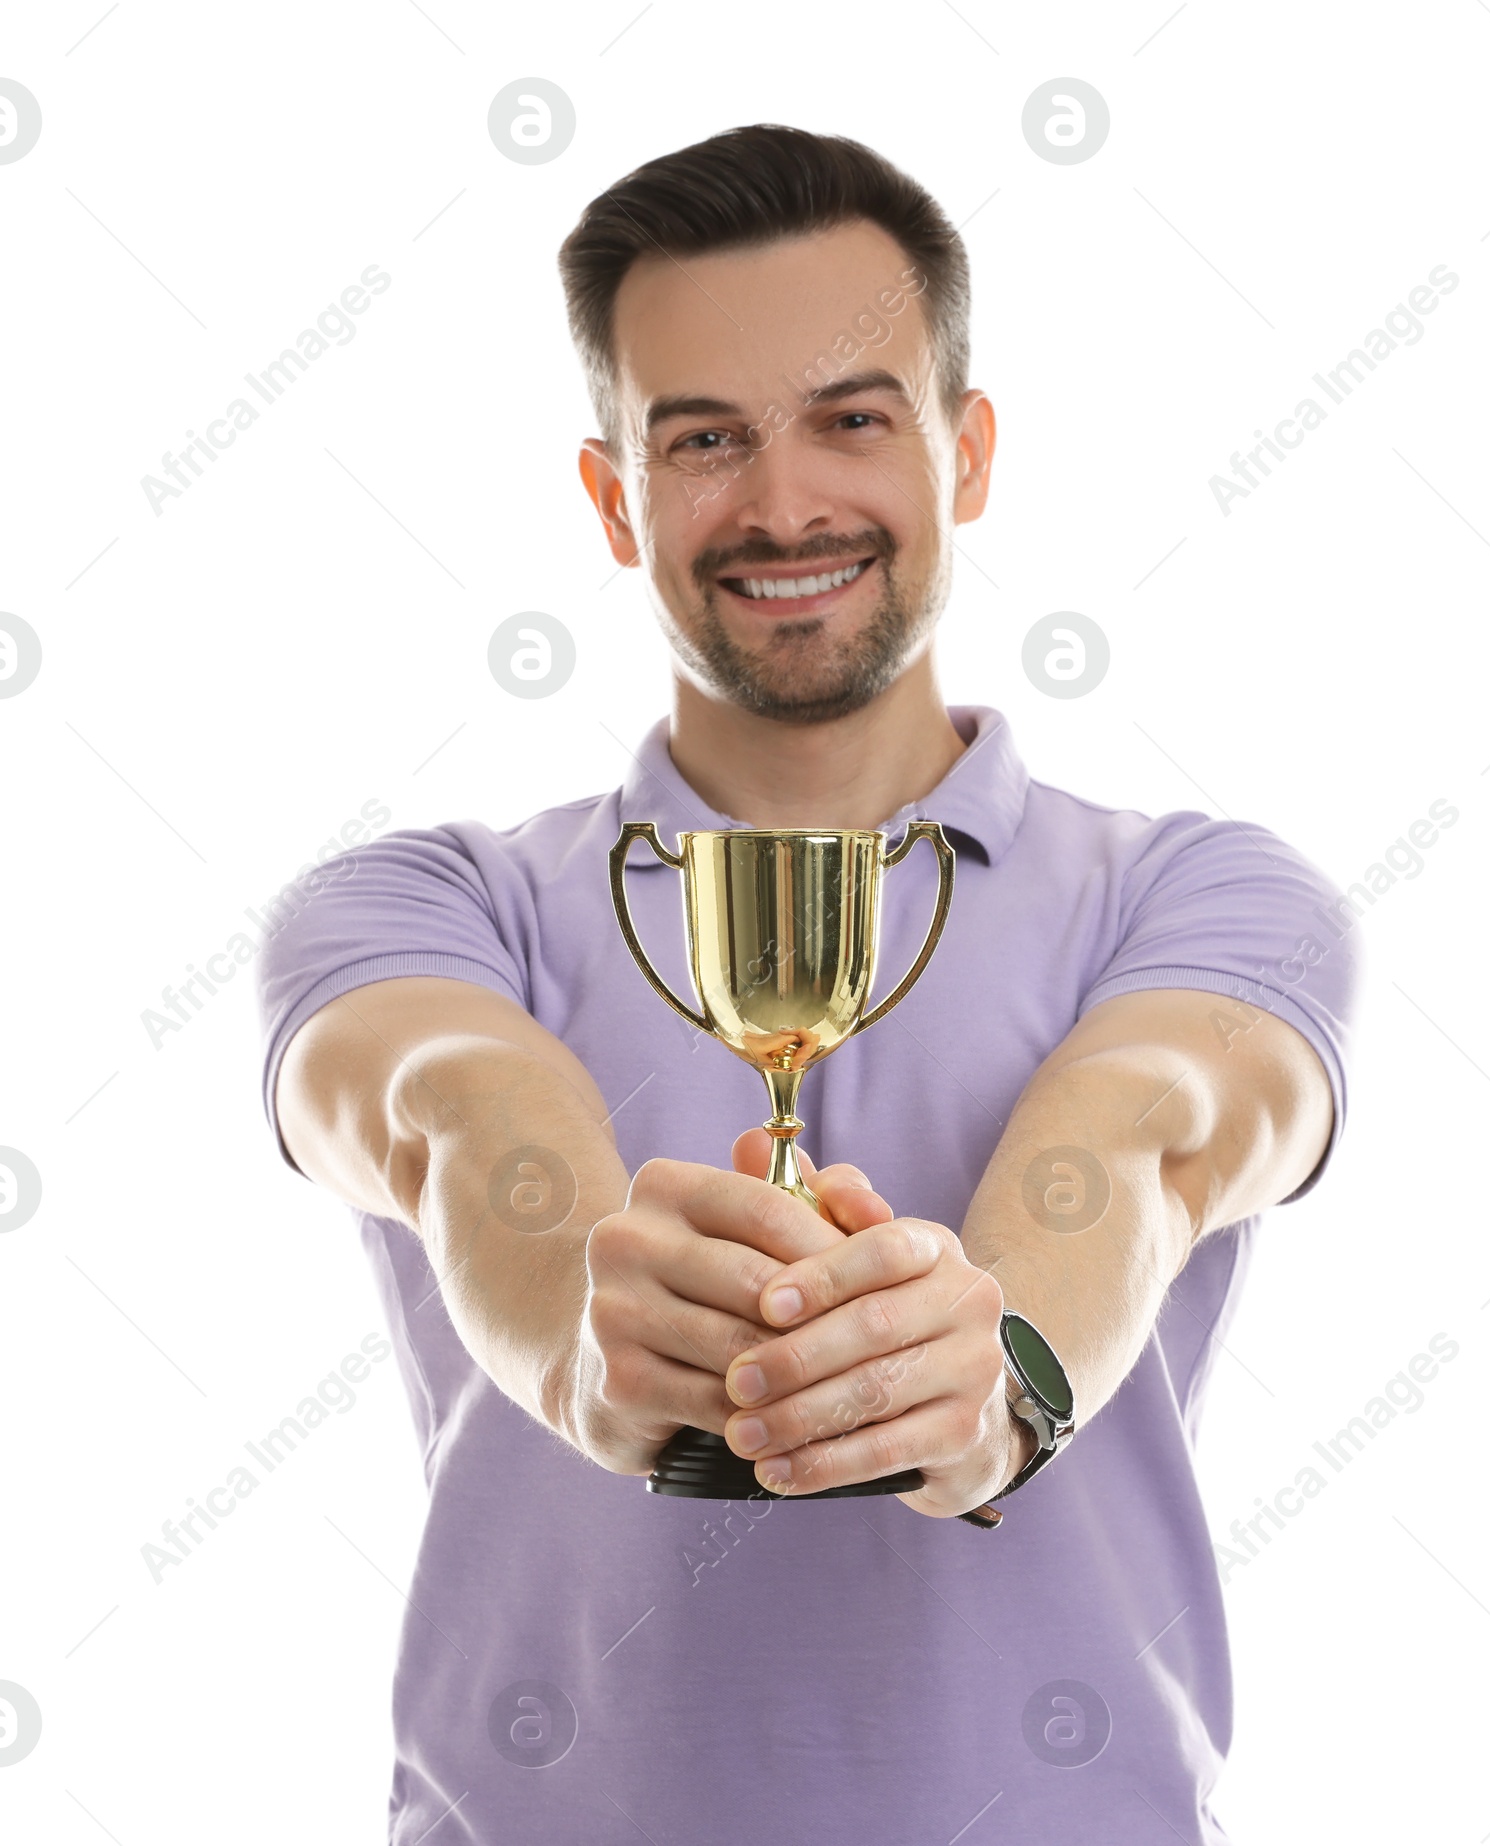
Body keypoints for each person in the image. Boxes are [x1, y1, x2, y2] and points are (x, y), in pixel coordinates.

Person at [257, 123, 1359, 1845]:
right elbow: (451, 1125)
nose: (784, 507)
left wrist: (1000, 1372)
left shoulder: (1205, 894)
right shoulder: (420, 902)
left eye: (853, 417)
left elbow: (1152, 1135)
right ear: (615, 496)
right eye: (705, 441)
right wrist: (587, 1344)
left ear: (965, 450)